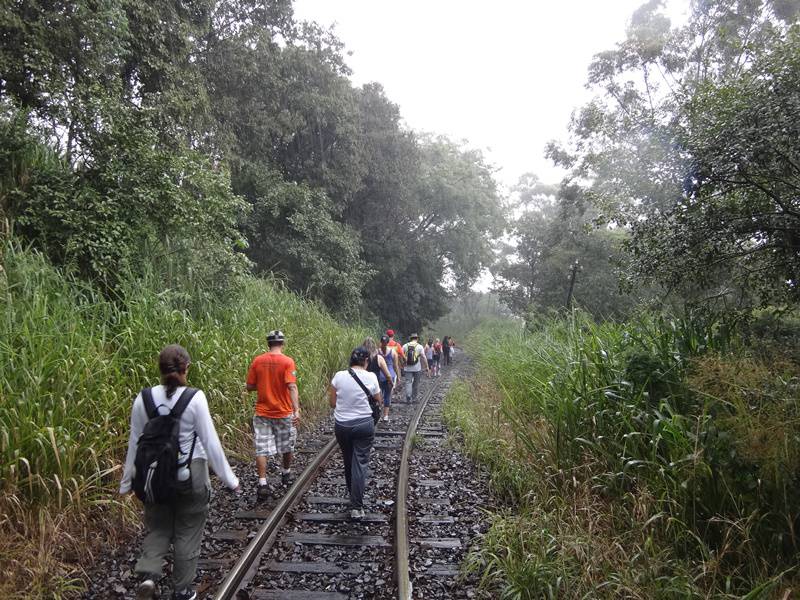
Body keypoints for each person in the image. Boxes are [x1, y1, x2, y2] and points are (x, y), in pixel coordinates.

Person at [120, 344, 239, 600]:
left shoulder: (144, 398)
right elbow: (210, 443)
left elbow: (136, 443)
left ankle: (150, 578)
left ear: (159, 370)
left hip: (152, 477)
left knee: (158, 527)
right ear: (187, 368)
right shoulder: (195, 398)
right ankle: (182, 591)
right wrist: (230, 480)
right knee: (187, 531)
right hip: (190, 475)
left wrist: (126, 481)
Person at [246, 330, 300, 501]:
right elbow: (291, 386)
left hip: (262, 412)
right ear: (282, 344)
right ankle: (286, 473)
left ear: (268, 344)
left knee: (261, 447)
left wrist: (264, 385)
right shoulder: (287, 362)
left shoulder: (258, 361)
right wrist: (296, 409)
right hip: (283, 412)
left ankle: (262, 483)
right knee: (287, 444)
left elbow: (249, 386)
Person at [329, 347, 382, 519]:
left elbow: (332, 403)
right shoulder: (371, 376)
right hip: (364, 425)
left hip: (342, 426)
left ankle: (352, 495)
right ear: (366, 361)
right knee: (360, 463)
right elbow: (378, 399)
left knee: (348, 460)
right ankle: (357, 507)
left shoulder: (339, 376)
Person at [364, 336, 394, 422]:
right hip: (375, 384)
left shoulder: (360, 358)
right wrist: (390, 382)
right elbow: (387, 374)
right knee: (376, 401)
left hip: (361, 384)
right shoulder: (378, 358)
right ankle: (378, 416)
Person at [402, 333, 429, 402]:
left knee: (408, 382)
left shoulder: (405, 346)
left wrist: (402, 363)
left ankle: (408, 396)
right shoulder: (419, 346)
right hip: (417, 368)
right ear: (417, 338)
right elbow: (423, 356)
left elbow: (400, 355)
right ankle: (414, 398)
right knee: (416, 383)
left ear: (410, 338)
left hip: (407, 368)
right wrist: (427, 366)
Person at [378, 335, 399, 421]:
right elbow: (395, 366)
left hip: (379, 375)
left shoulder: (376, 352)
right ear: (388, 343)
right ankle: (385, 416)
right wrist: (398, 377)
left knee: (379, 394)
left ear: (380, 342)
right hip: (390, 375)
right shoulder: (393, 352)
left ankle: (378, 412)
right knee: (387, 395)